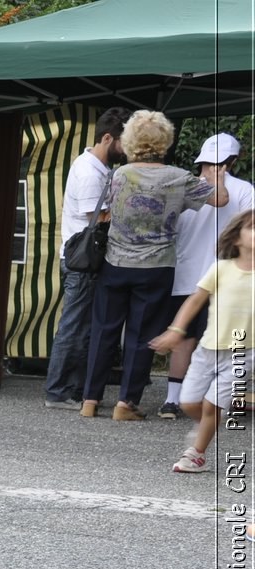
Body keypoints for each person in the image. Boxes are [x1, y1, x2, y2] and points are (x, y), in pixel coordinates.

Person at [80, 111, 219, 420]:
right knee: (142, 335)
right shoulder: (179, 178)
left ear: (129, 140)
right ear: (166, 141)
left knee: (104, 330)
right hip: (156, 267)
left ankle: (90, 399)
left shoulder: (120, 175)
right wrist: (212, 174)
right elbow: (220, 199)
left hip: (115, 262)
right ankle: (126, 404)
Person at [156, 133, 254, 419]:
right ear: (233, 161)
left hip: (186, 273)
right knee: (235, 339)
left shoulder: (182, 186)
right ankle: (232, 400)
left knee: (184, 338)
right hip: (230, 277)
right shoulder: (245, 189)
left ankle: (172, 401)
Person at [149, 210, 253, 473]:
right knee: (189, 402)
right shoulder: (221, 268)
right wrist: (175, 330)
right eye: (253, 227)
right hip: (207, 349)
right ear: (237, 238)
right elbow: (194, 300)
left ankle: (195, 453)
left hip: (243, 353)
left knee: (211, 405)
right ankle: (208, 425)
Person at [43, 106, 130, 410]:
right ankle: (59, 391)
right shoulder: (90, 172)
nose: (126, 150)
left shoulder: (94, 166)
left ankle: (73, 389)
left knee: (81, 325)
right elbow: (100, 216)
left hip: (83, 259)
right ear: (108, 138)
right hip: (83, 261)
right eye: (123, 143)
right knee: (75, 326)